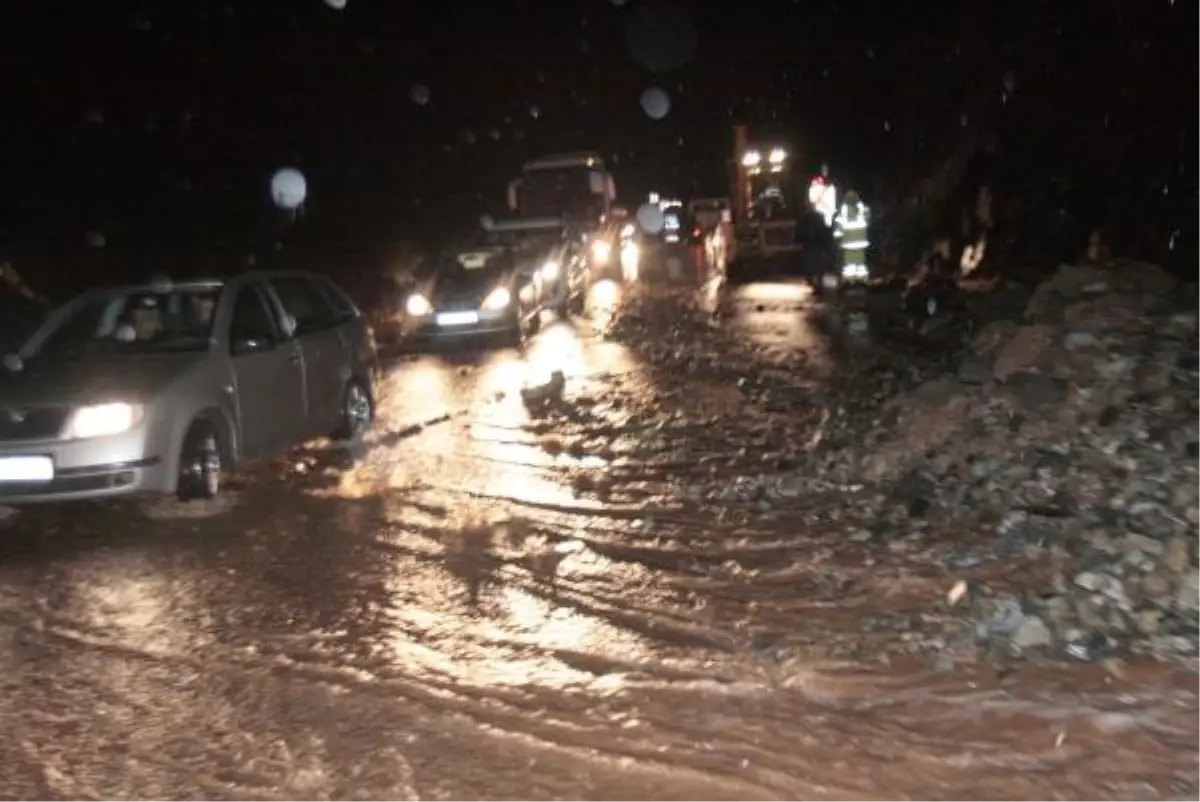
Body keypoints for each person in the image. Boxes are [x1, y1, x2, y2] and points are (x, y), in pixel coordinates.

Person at [834, 190, 870, 281]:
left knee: (850, 264)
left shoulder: (843, 211)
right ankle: (862, 279)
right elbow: (868, 222)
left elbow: (839, 227)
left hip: (848, 242)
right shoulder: (864, 210)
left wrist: (837, 236)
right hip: (861, 242)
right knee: (860, 262)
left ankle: (850, 281)